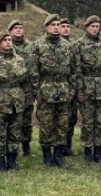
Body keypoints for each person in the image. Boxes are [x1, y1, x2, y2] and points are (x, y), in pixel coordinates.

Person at [31, 14, 75, 168]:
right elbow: (33, 72)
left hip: (63, 90)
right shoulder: (37, 46)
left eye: (58, 24)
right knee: (46, 125)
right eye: (53, 25)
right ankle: (47, 156)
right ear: (46, 26)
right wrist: (37, 93)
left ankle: (58, 155)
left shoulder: (67, 46)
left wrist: (72, 91)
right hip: (46, 91)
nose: (56, 27)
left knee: (62, 124)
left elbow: (73, 71)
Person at [0, 30, 30, 171]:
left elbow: (26, 82)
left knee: (15, 133)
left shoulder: (20, 60)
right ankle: (0, 163)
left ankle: (12, 161)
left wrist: (27, 99)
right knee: (0, 134)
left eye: (9, 40)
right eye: (5, 40)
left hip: (17, 102)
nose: (8, 42)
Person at [73, 15, 101, 164]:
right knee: (88, 122)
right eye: (93, 26)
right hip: (87, 87)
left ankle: (98, 152)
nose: (95, 29)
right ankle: (87, 152)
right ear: (87, 27)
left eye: (97, 26)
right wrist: (80, 91)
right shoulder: (79, 45)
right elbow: (77, 71)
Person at [7, 19, 36, 157]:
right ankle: (12, 148)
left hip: (27, 89)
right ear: (10, 31)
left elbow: (35, 67)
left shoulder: (31, 46)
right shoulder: (6, 45)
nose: (18, 30)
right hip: (11, 90)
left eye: (20, 27)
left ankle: (26, 147)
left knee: (26, 120)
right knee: (12, 120)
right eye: (15, 28)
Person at [59, 17, 79, 155]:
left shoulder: (74, 45)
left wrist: (74, 89)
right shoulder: (55, 45)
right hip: (58, 88)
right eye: (63, 26)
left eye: (68, 26)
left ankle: (68, 146)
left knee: (72, 118)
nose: (66, 28)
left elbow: (76, 68)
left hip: (72, 87)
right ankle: (59, 147)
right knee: (60, 120)